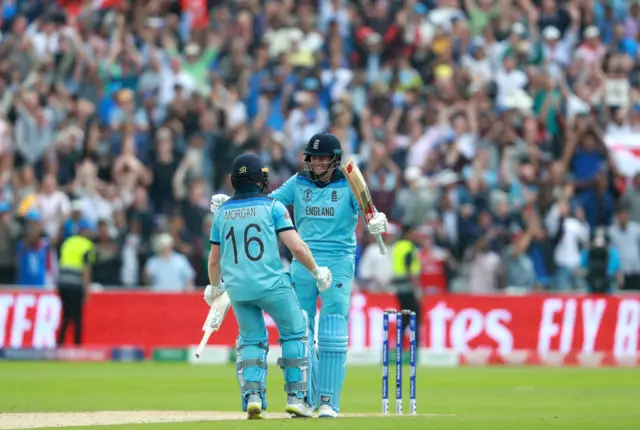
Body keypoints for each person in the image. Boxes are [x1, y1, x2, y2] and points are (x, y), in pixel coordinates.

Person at [210, 133, 389, 417]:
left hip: (338, 262)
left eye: (323, 158)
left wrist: (377, 219)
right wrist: (234, 202)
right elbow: (264, 204)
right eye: (313, 157)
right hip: (303, 262)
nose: (317, 163)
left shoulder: (348, 183)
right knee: (300, 331)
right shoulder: (297, 183)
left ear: (335, 160)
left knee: (331, 332)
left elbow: (370, 214)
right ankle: (304, 398)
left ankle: (328, 401)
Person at [204, 153, 332, 419]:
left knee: (250, 339)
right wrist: (316, 270)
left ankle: (253, 396)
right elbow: (295, 246)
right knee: (296, 332)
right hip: (273, 284)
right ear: (259, 180)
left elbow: (214, 260)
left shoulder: (221, 214)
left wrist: (215, 288)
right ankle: (297, 398)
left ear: (233, 181)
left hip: (238, 289)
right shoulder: (274, 206)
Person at [57, 220, 96, 346]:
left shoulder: (67, 242)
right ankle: (77, 345)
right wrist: (87, 289)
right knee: (77, 316)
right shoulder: (87, 245)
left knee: (66, 314)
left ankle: (60, 342)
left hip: (62, 283)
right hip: (75, 284)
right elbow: (86, 269)